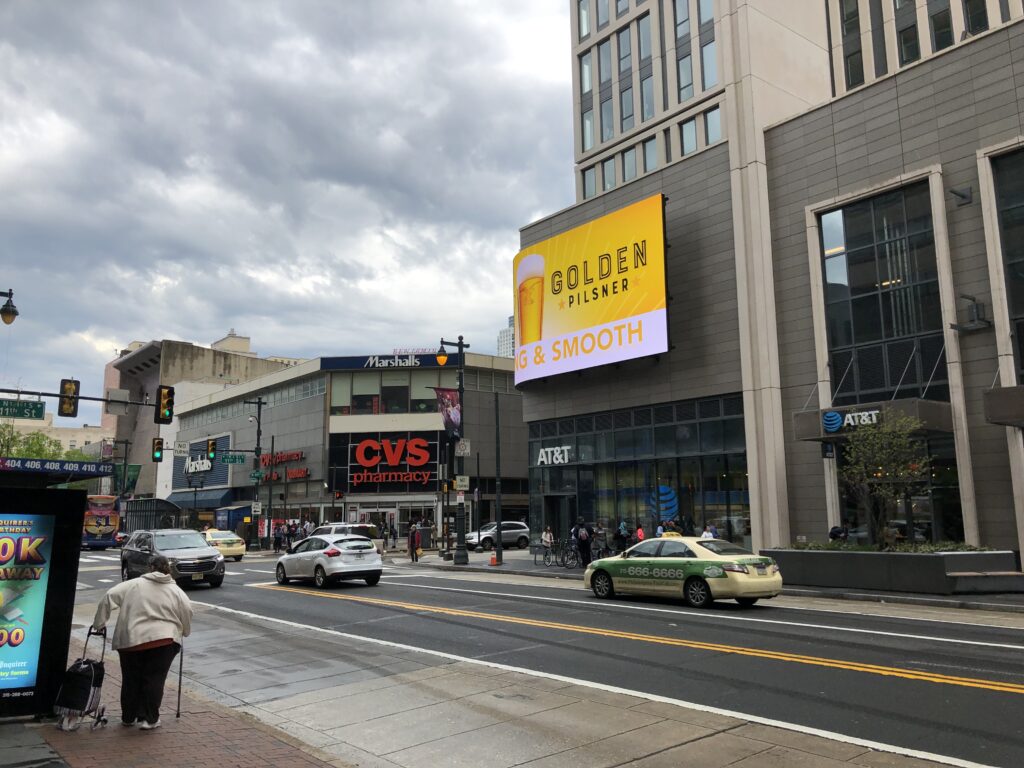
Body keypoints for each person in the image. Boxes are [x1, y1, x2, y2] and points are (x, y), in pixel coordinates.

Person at [91, 556, 192, 730]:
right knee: (154, 679)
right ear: (168, 569)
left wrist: (99, 624)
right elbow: (187, 611)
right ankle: (149, 719)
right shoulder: (176, 591)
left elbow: (108, 597)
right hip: (164, 641)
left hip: (131, 640)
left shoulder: (132, 585)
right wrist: (185, 631)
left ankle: (128, 717)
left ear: (150, 567)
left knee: (131, 679)